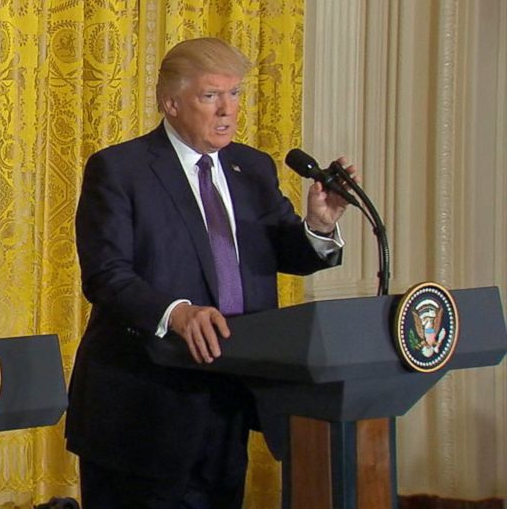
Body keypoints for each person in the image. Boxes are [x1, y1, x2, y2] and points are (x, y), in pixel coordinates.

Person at [65, 37, 356, 508]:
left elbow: (283, 251)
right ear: (172, 103)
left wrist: (320, 225)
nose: (228, 110)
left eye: (235, 94)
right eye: (211, 96)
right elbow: (105, 274)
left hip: (229, 402)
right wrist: (176, 313)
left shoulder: (253, 169)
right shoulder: (120, 170)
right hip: (143, 413)